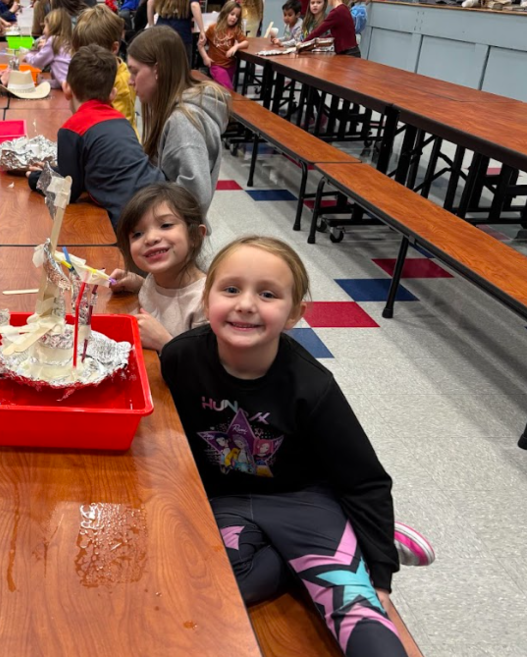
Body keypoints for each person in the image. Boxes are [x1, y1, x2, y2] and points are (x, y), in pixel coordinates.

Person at [160, 235, 435, 657]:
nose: (246, 304)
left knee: (361, 618)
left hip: (303, 499)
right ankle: (338, 545)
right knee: (211, 589)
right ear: (207, 296)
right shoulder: (180, 357)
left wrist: (378, 575)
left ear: (294, 314)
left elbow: (365, 480)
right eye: (230, 289)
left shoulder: (313, 386)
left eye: (267, 294)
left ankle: (365, 539)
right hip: (226, 499)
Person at [28, 45, 164, 226]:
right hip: (161, 197)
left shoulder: (71, 130)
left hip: (129, 218)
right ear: (112, 95)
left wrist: (37, 179)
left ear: (66, 88)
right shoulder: (122, 121)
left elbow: (69, 190)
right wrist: (53, 170)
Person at [127, 25, 230, 218]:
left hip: (175, 231)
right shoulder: (173, 112)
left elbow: (195, 198)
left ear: (157, 70)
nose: (130, 81)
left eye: (134, 72)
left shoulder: (182, 122)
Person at [110, 183, 209, 352]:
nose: (150, 238)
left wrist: (165, 344)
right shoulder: (157, 276)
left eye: (166, 225)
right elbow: (162, 297)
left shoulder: (206, 303)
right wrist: (139, 283)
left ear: (195, 236)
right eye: (137, 234)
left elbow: (203, 365)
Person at [72, 5, 137, 133]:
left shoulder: (120, 83)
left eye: (92, 56)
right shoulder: (97, 73)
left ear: (114, 49)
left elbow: (117, 129)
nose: (84, 62)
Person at [200, 1, 248, 90]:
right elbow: (200, 45)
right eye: (232, 14)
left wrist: (236, 47)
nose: (234, 18)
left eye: (237, 16)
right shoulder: (212, 29)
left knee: (221, 90)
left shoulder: (236, 30)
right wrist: (205, 57)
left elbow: (246, 42)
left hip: (230, 66)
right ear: (225, 13)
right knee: (228, 89)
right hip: (216, 65)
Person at [23, 9, 74, 89]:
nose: (43, 31)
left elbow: (36, 62)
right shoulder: (67, 41)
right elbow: (60, 80)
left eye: (45, 26)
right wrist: (44, 82)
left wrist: (27, 56)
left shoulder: (53, 41)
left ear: (53, 26)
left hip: (68, 89)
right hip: (74, 86)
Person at [147, 0, 206, 67]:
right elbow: (194, 5)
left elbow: (150, 2)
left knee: (162, 66)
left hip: (161, 33)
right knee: (182, 68)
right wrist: (202, 30)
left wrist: (151, 25)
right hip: (181, 35)